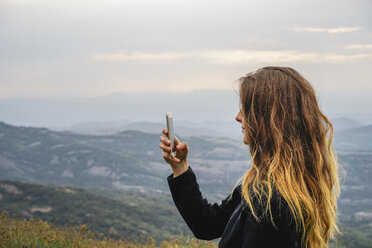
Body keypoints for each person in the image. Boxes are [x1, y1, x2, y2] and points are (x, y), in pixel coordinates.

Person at [158, 66, 340, 248]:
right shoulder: (268, 185)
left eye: (245, 108)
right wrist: (180, 167)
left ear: (269, 117)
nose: (238, 117)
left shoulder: (270, 203)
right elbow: (207, 225)